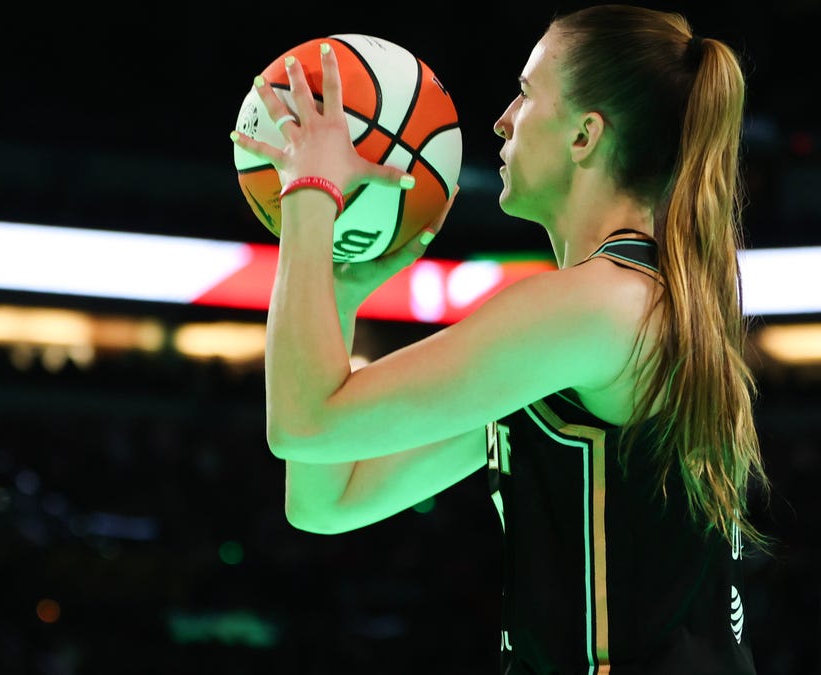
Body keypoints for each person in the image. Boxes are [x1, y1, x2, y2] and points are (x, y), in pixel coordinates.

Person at [230, 4, 774, 673]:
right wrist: (339, 296)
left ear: (584, 136)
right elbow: (325, 499)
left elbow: (305, 423)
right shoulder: (599, 321)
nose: (502, 120)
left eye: (525, 93)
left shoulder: (600, 308)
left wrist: (311, 192)